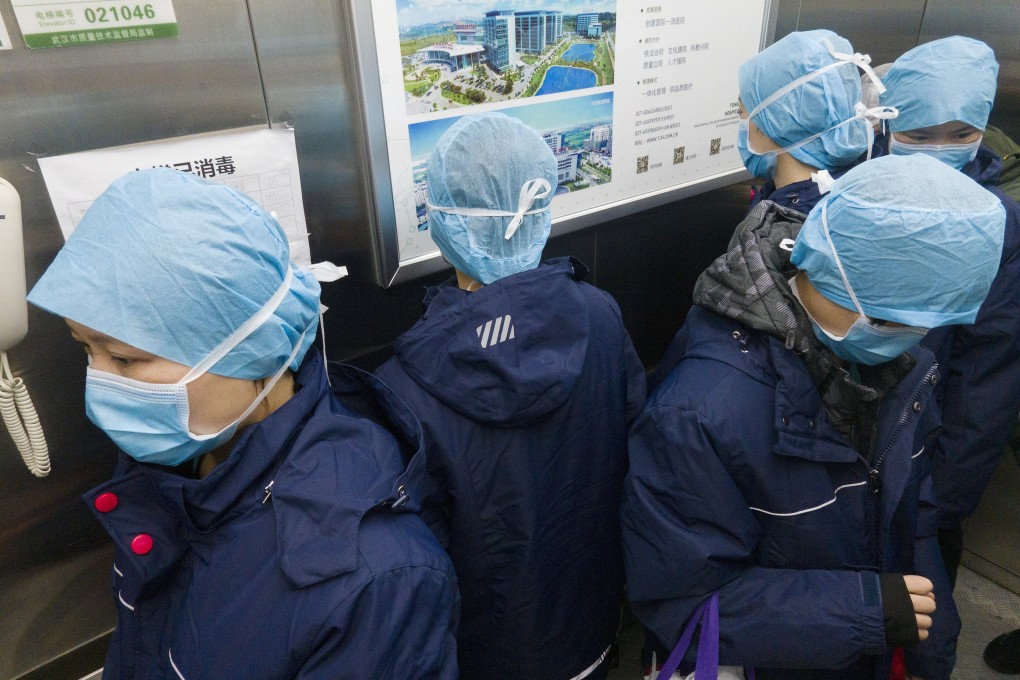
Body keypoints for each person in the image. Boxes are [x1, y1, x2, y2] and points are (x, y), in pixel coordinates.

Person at [26, 168, 459, 679]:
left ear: (252, 351)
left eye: (123, 359)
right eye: (85, 349)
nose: (98, 383)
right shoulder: (182, 462)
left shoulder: (373, 581)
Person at [621, 154, 1006, 680]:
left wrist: (930, 649)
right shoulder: (700, 414)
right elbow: (684, 604)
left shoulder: (900, 369)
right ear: (832, 269)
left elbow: (912, 514)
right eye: (890, 320)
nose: (906, 340)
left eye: (926, 324)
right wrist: (865, 609)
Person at [375, 111, 646, 680]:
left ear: (446, 225)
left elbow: (417, 563)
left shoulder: (405, 388)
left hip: (490, 652)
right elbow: (634, 455)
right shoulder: (600, 314)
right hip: (594, 623)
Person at [879, 35, 1020, 675]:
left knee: (925, 614)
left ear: (982, 131)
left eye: (957, 132)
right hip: (859, 462)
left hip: (933, 469)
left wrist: (938, 504)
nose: (938, 147)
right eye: (918, 132)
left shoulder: (999, 230)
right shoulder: (862, 199)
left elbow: (983, 392)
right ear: (887, 125)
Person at [737, 30, 894, 214]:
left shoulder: (794, 226)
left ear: (774, 125)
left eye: (741, 112)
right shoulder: (844, 191)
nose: (741, 122)